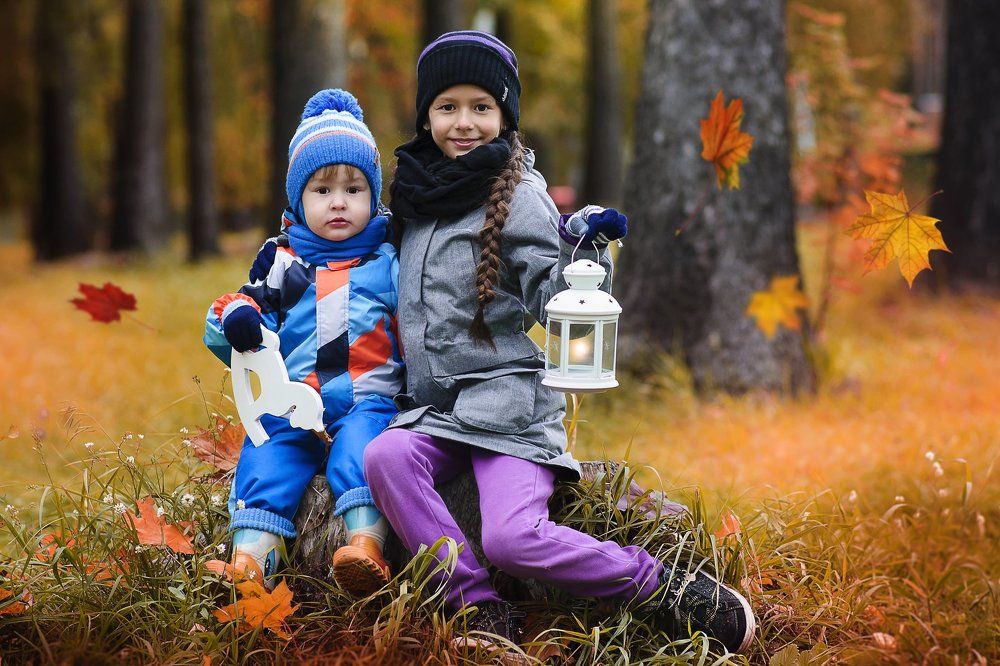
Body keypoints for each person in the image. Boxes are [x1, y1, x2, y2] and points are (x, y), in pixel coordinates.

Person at [361, 31, 756, 655]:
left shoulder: (516, 194)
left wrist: (583, 253)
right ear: (425, 115)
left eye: (481, 107)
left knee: (512, 540)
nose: (464, 122)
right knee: (385, 458)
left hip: (506, 406)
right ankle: (479, 610)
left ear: (505, 115)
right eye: (447, 107)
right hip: (434, 412)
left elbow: (556, 287)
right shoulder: (413, 194)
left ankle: (665, 590)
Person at [202, 89, 402, 598]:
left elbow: (420, 320)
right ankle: (251, 559)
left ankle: (365, 546)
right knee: (267, 459)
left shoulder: (386, 259)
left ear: (372, 197)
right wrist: (241, 320)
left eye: (354, 188)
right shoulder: (285, 261)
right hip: (295, 400)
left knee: (363, 453)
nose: (339, 201)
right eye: (322, 190)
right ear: (298, 199)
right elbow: (238, 306)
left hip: (367, 397)